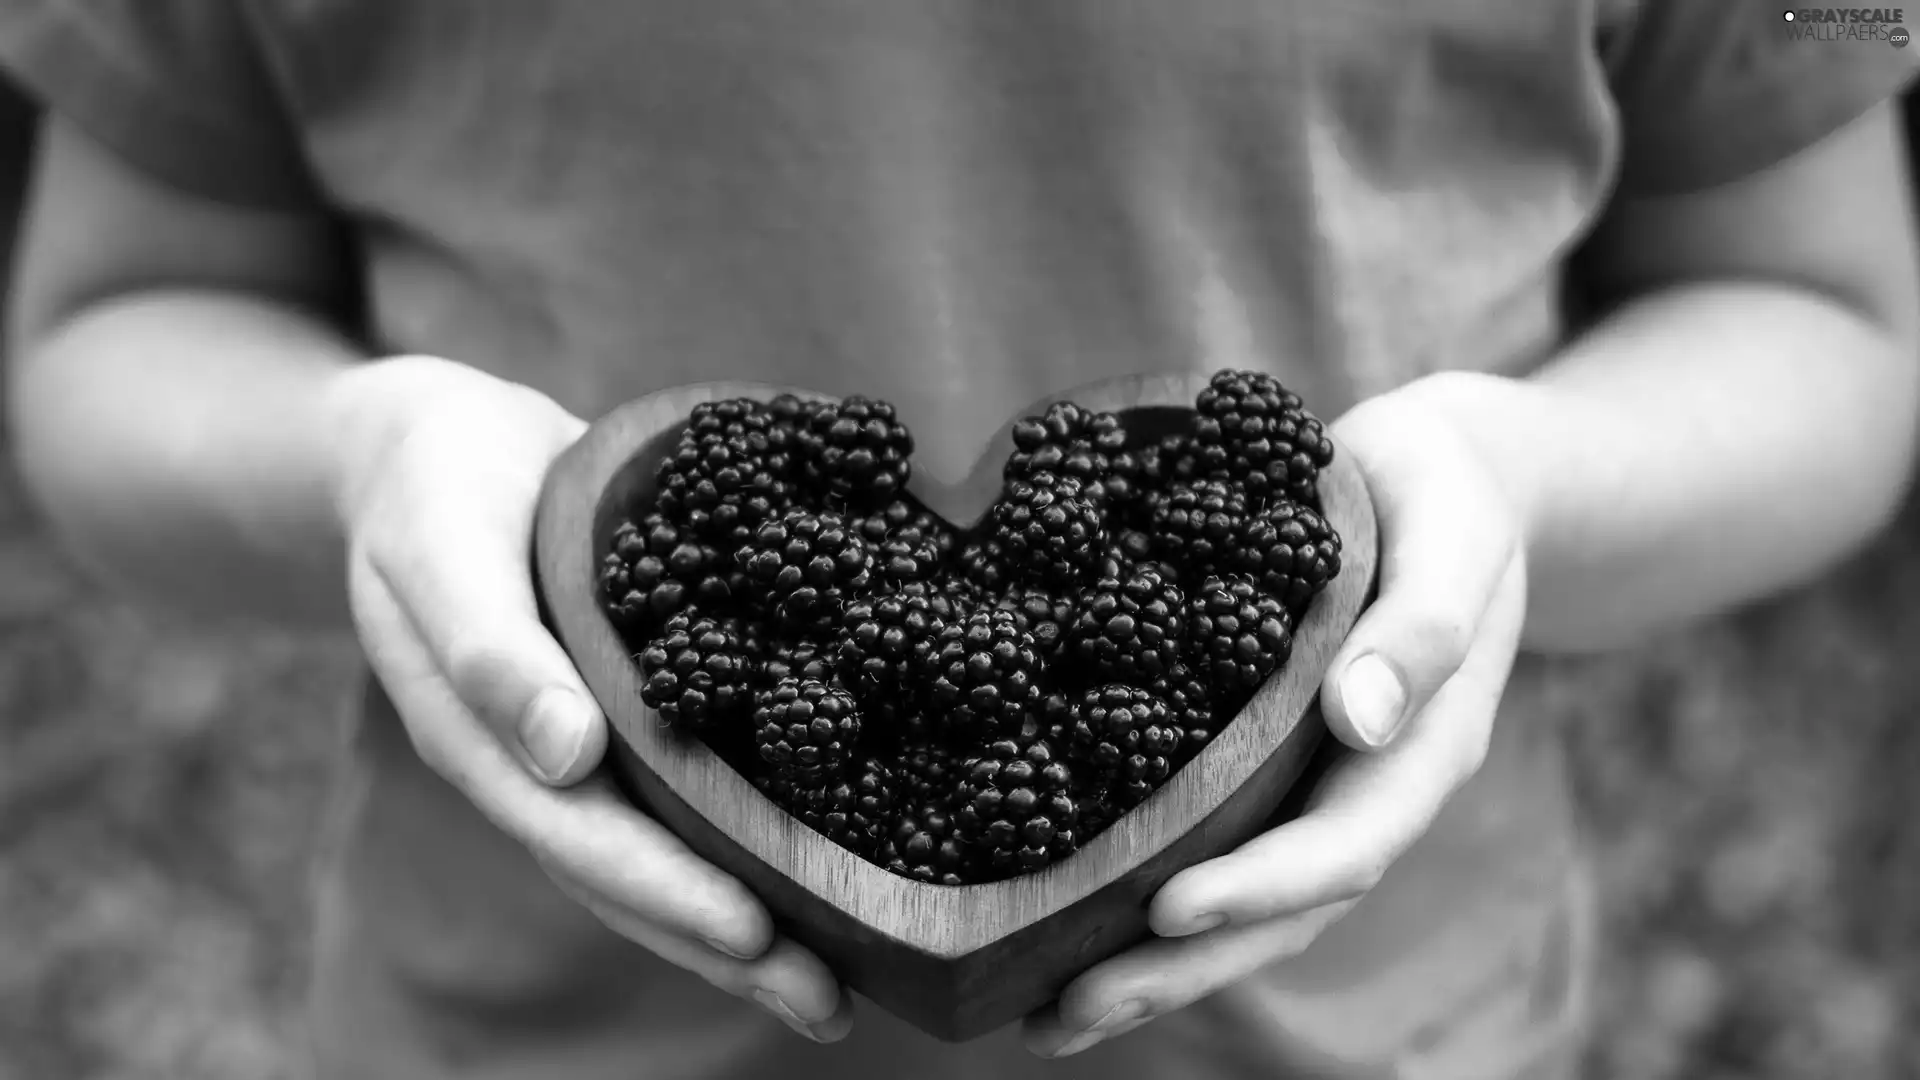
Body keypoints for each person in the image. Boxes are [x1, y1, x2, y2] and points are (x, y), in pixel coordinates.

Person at [2, 2, 1915, 1077]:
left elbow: (1825, 323)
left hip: (1387, 1033)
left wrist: (1517, 481)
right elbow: (120, 325)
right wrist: (361, 454)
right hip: (521, 1038)